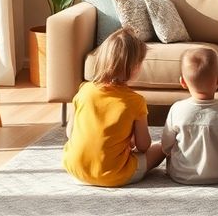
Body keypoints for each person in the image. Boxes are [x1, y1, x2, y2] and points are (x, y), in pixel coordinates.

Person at [63, 27, 164, 186]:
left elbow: (70, 133)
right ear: (135, 67)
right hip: (114, 174)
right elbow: (143, 146)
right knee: (160, 148)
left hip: (75, 169)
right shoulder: (135, 101)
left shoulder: (84, 90)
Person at [161, 48, 218, 184]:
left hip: (180, 175)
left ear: (182, 82)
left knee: (172, 149)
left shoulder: (176, 109)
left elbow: (165, 146)